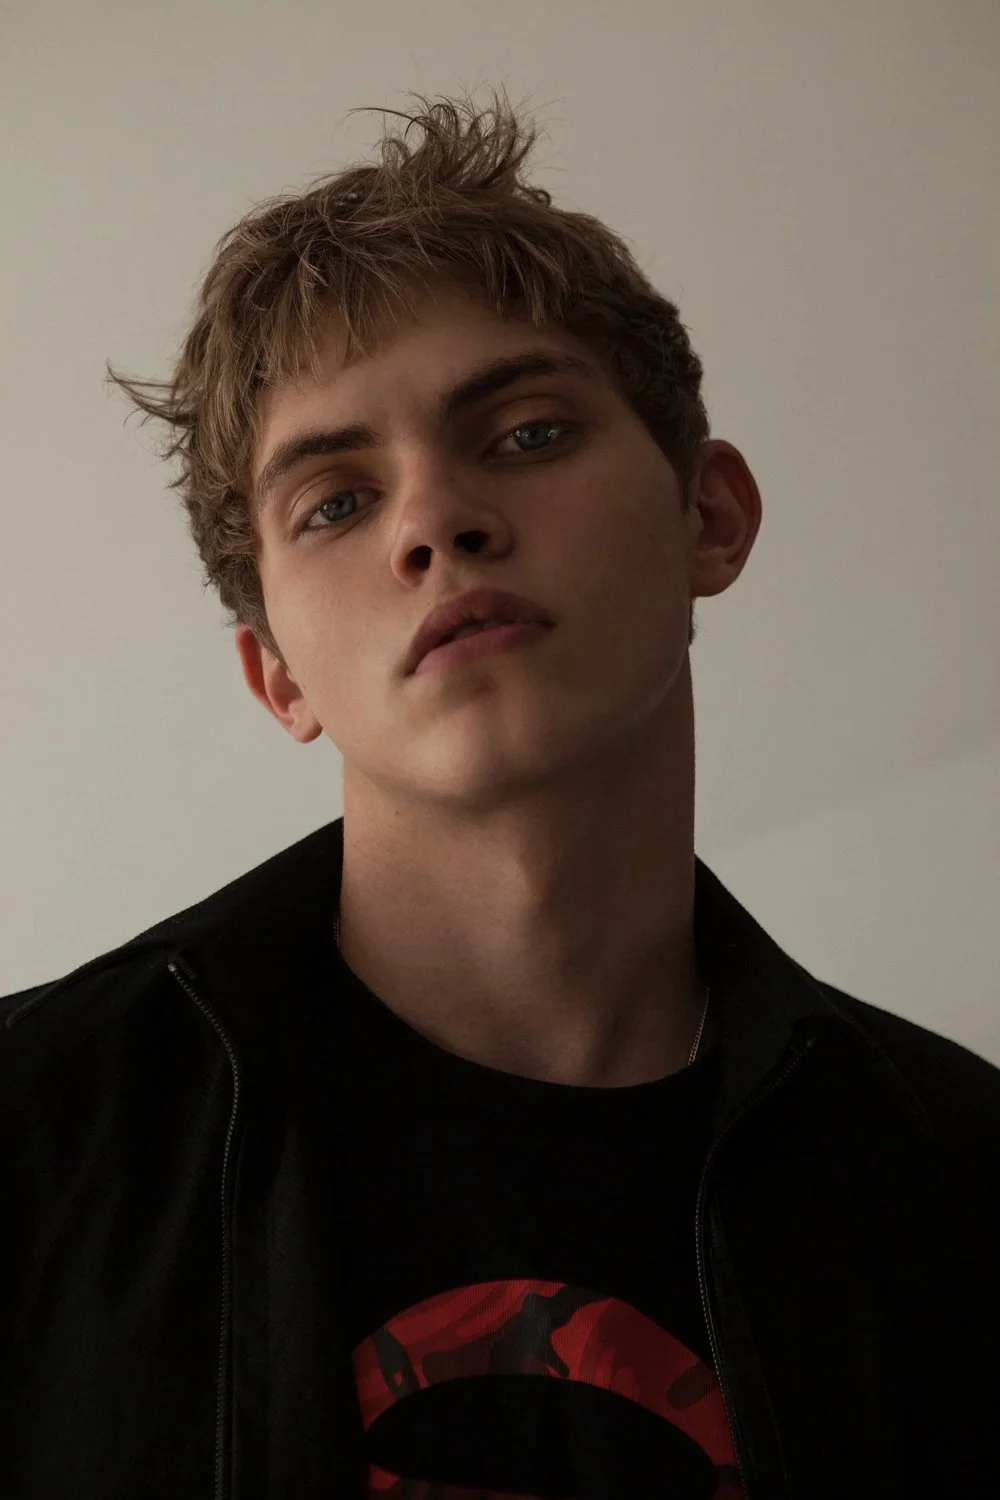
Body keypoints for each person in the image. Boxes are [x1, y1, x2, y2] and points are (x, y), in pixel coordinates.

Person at [2, 88, 997, 1500]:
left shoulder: (957, 1188)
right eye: (335, 502)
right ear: (276, 674)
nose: (432, 521)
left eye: (525, 434)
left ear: (708, 514)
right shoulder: (33, 1146)